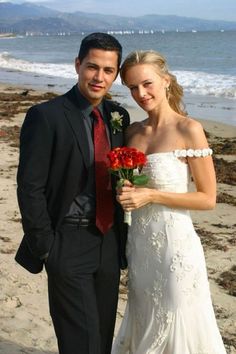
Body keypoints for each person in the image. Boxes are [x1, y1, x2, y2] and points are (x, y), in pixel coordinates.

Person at [15, 32, 130, 354]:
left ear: (116, 74)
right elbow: (30, 186)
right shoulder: (46, 116)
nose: (99, 77)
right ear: (78, 64)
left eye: (108, 70)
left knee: (102, 337)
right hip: (66, 241)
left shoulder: (118, 117)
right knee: (82, 341)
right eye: (92, 67)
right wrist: (47, 246)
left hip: (108, 242)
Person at [112, 50, 226, 353]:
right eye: (133, 87)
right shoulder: (132, 132)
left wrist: (151, 194)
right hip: (138, 245)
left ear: (165, 80)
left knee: (179, 318)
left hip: (175, 247)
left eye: (147, 84)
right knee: (144, 314)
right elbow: (126, 186)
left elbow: (208, 198)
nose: (141, 93)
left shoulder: (188, 129)